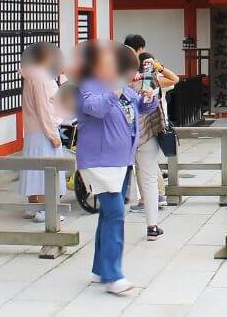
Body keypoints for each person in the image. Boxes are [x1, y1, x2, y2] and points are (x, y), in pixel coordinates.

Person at [75, 41, 157, 295]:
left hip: (121, 160)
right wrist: (116, 90)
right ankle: (114, 274)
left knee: (108, 213)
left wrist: (149, 97)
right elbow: (96, 109)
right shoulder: (87, 88)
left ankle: (101, 269)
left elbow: (139, 108)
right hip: (100, 162)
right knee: (115, 214)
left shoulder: (122, 89)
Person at [123, 34, 179, 216]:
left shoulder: (147, 81)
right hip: (150, 127)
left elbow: (175, 79)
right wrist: (158, 68)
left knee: (143, 166)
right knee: (149, 164)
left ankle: (150, 199)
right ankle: (156, 196)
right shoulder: (142, 81)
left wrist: (158, 68)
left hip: (144, 129)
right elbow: (174, 79)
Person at [18, 43, 65, 222]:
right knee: (47, 169)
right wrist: (53, 135)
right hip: (45, 130)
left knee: (34, 167)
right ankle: (45, 210)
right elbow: (44, 108)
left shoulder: (32, 74)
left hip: (33, 130)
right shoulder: (42, 77)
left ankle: (33, 207)